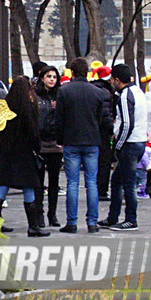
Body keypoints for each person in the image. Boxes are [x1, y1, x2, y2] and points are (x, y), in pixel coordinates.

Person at [0, 76, 50, 237]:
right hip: (25, 153)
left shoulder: (5, 106)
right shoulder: (28, 107)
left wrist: (2, 146)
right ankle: (33, 226)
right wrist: (36, 147)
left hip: (8, 152)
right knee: (29, 187)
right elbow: (33, 132)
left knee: (3, 186)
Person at [54, 58, 105, 234]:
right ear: (88, 72)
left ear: (72, 73)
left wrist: (59, 139)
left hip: (71, 140)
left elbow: (59, 119)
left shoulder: (64, 91)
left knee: (72, 183)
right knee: (92, 182)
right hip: (91, 140)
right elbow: (100, 118)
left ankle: (72, 222)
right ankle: (92, 222)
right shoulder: (97, 92)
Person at [98, 64, 148, 231]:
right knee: (117, 181)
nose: (111, 82)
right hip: (138, 141)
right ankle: (113, 217)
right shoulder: (138, 92)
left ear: (117, 80)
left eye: (112, 79)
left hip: (130, 143)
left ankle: (130, 220)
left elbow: (127, 123)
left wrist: (118, 144)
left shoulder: (126, 96)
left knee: (128, 183)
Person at [34, 65, 64, 228]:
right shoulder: (35, 95)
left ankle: (52, 214)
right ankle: (39, 214)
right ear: (42, 78)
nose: (52, 79)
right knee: (38, 182)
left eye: (54, 76)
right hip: (39, 143)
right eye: (48, 76)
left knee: (54, 181)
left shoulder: (60, 95)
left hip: (55, 143)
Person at [91, 65, 115, 201]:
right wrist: (112, 129)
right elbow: (106, 116)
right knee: (104, 162)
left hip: (91, 131)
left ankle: (93, 188)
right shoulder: (105, 92)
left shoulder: (93, 89)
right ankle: (101, 190)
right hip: (103, 133)